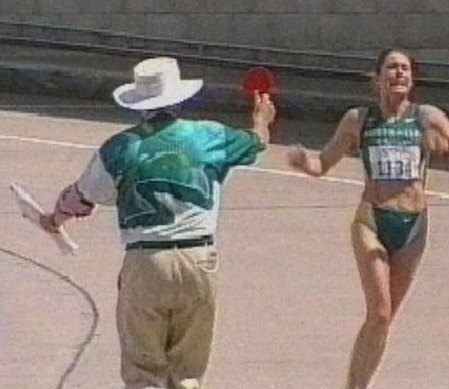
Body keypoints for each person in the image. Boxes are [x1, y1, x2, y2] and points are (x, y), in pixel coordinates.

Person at [40, 56, 276, 389]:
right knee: (187, 372)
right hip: (198, 259)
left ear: (138, 104)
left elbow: (80, 198)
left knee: (143, 371)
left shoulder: (119, 148)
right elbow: (257, 143)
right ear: (179, 98)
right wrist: (261, 118)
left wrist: (56, 218)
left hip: (145, 261)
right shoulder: (209, 135)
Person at [287, 48, 449, 389]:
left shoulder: (427, 117)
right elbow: (324, 163)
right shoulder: (358, 120)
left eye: (405, 69)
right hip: (372, 222)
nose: (399, 74)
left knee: (384, 320)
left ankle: (357, 383)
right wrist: (306, 163)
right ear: (377, 78)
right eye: (392, 68)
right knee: (379, 311)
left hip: (413, 227)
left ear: (413, 78)